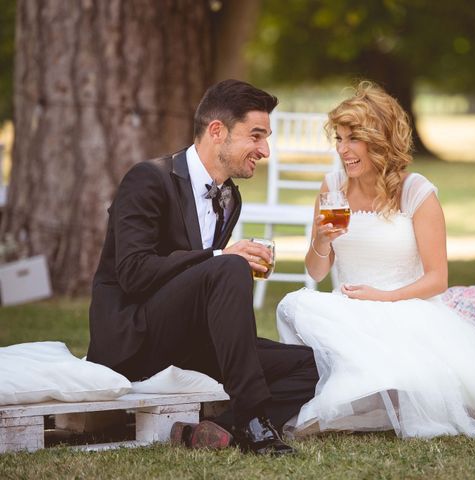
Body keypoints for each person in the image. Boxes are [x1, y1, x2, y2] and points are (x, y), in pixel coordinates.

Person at [276, 81, 475, 439]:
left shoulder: (415, 191)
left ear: (379, 140)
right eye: (339, 140)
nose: (344, 151)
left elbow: (437, 279)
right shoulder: (332, 188)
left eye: (353, 139)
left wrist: (382, 297)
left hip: (406, 304)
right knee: (293, 305)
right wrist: (322, 241)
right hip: (350, 306)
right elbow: (315, 270)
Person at [87, 79, 318, 455]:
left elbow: (204, 278)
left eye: (267, 138)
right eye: (256, 136)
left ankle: (213, 430)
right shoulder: (148, 178)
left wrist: (221, 266)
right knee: (228, 267)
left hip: (191, 340)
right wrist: (219, 259)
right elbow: (133, 274)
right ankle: (255, 422)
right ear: (217, 131)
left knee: (311, 366)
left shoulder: (230, 198)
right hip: (134, 339)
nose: (265, 150)